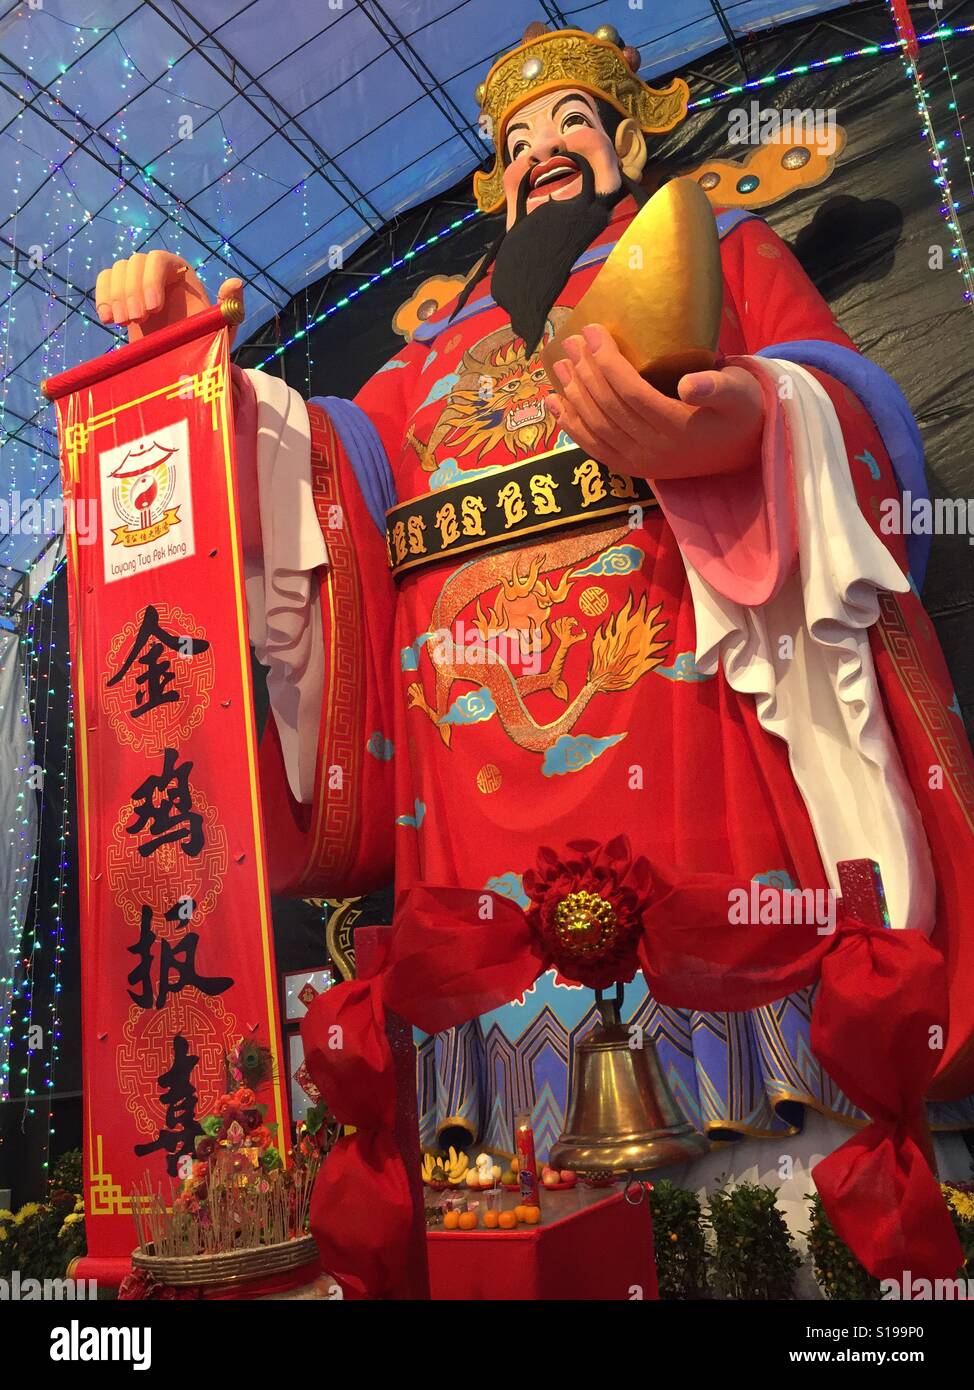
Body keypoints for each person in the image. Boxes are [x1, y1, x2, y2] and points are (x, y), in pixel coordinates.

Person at [95, 23, 974, 1190]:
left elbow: (846, 404)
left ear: (623, 138)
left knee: (753, 1135)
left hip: (685, 719)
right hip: (469, 775)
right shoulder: (424, 358)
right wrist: (194, 376)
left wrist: (753, 422)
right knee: (515, 1167)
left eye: (569, 122)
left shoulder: (715, 251)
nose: (541, 150)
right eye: (515, 138)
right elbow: (316, 476)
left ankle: (774, 1206)